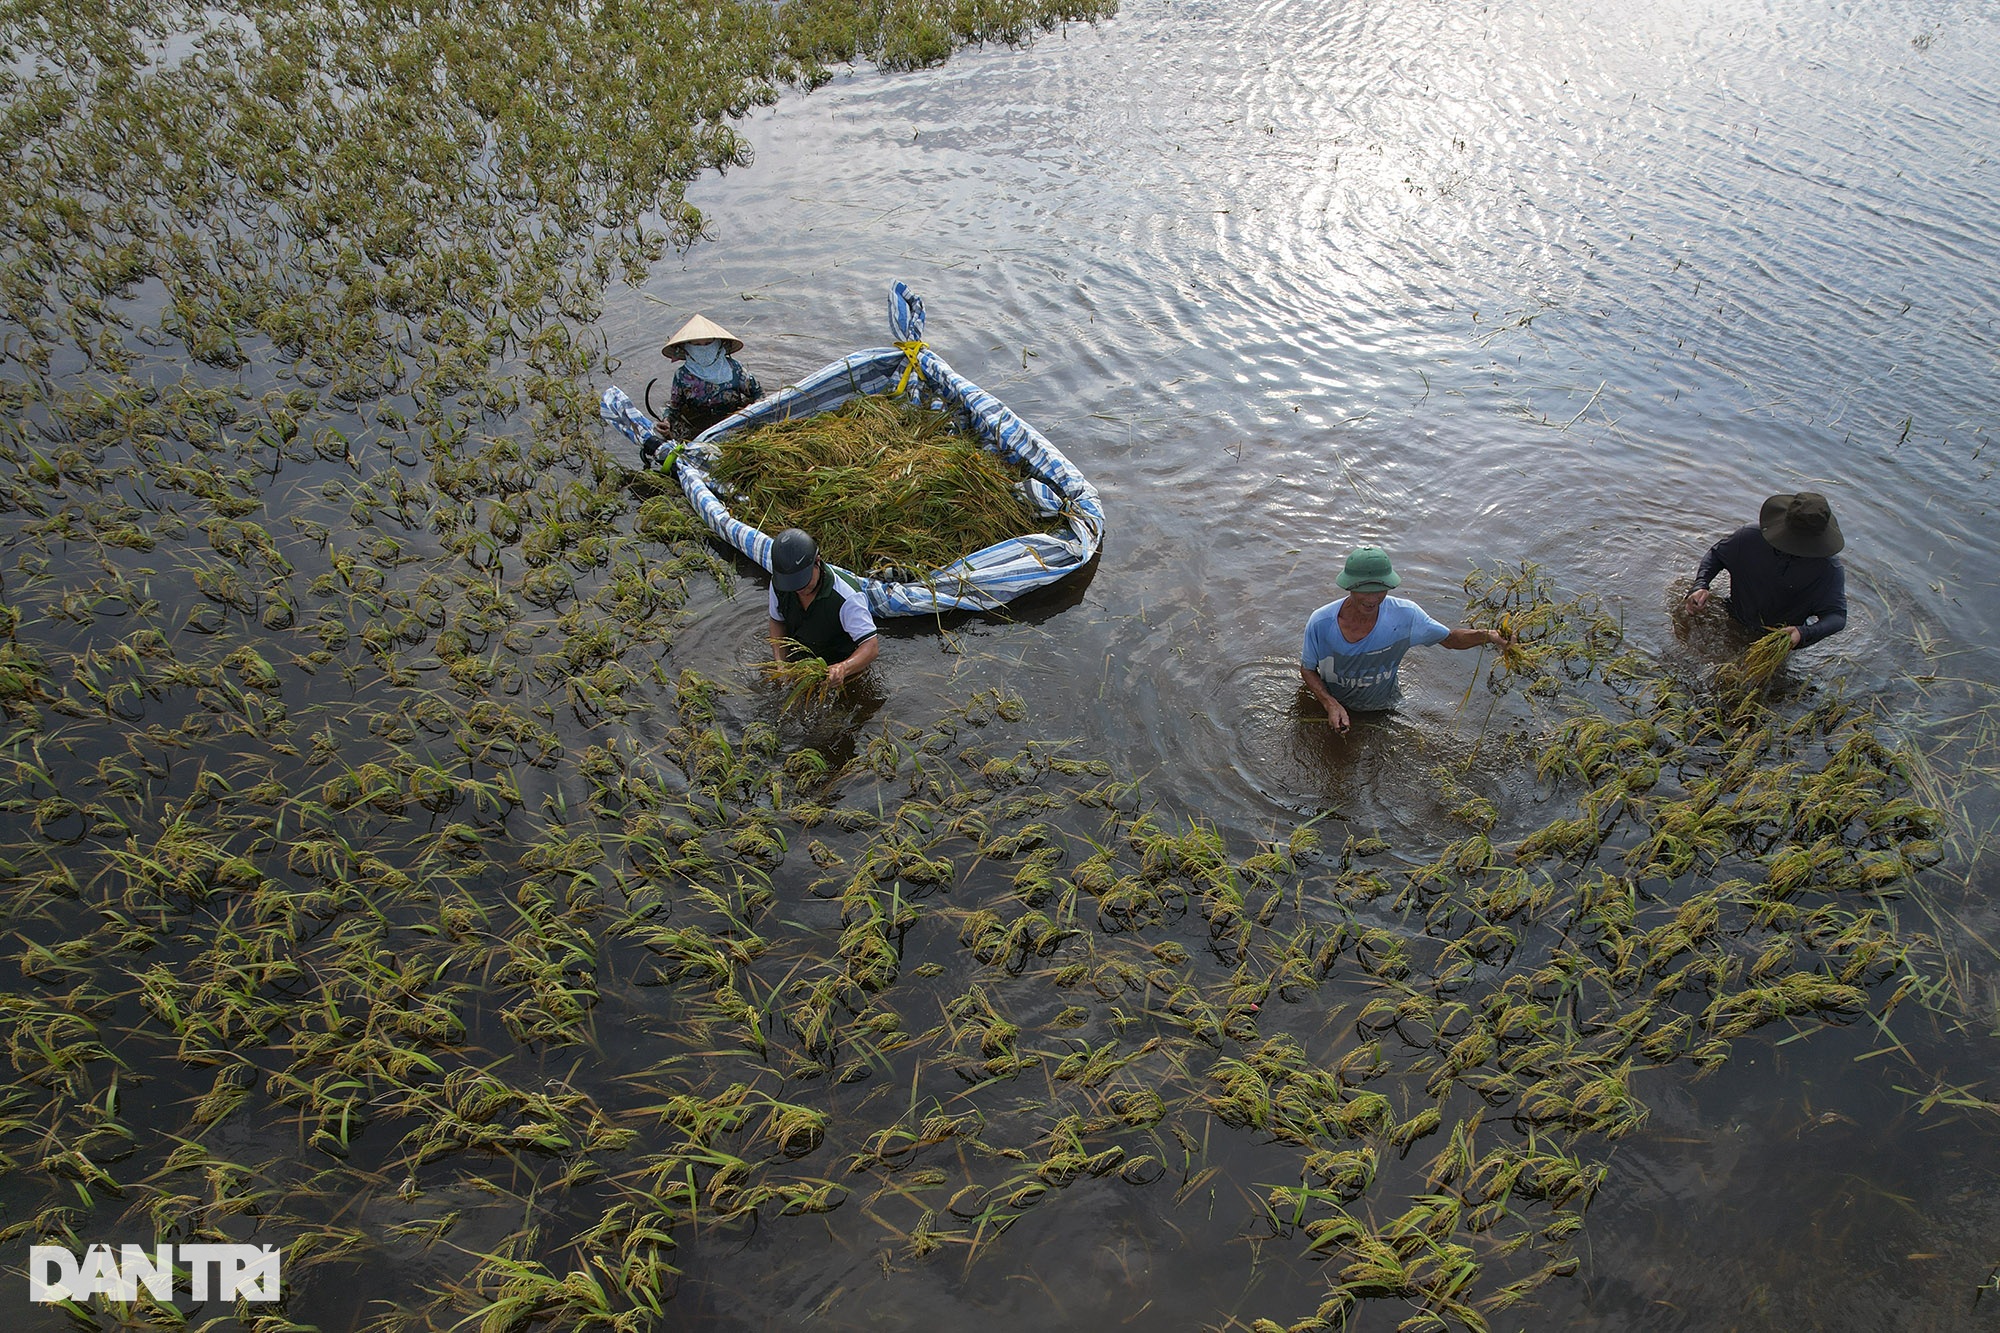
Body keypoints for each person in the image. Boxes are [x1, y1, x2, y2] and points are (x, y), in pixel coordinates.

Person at [1300, 546, 1508, 732]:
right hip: (1333, 704)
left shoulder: (1406, 616)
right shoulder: (1321, 622)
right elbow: (1307, 669)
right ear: (1350, 587)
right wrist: (1329, 703)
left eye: (1380, 589)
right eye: (1364, 590)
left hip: (1384, 706)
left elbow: (1450, 639)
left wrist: (1488, 636)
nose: (1372, 599)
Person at [1685, 491, 1847, 649]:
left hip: (1778, 639)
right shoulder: (1749, 538)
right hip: (1733, 614)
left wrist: (1804, 633)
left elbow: (1836, 616)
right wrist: (1701, 585)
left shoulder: (1828, 570)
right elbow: (1717, 555)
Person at [768, 529, 879, 687]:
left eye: (803, 581)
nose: (798, 589)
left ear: (817, 562)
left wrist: (843, 668)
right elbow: (776, 621)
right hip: (800, 660)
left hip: (836, 666)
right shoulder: (781, 585)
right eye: (792, 583)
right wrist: (780, 663)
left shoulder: (847, 598)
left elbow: (871, 646)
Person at [658, 313, 762, 446]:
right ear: (688, 348)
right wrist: (666, 421)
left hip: (734, 422)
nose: (704, 349)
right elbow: (674, 408)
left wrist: (750, 411)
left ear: (718, 344)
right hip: (700, 427)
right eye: (697, 345)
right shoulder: (682, 376)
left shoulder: (734, 368)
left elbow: (758, 393)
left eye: (708, 344)